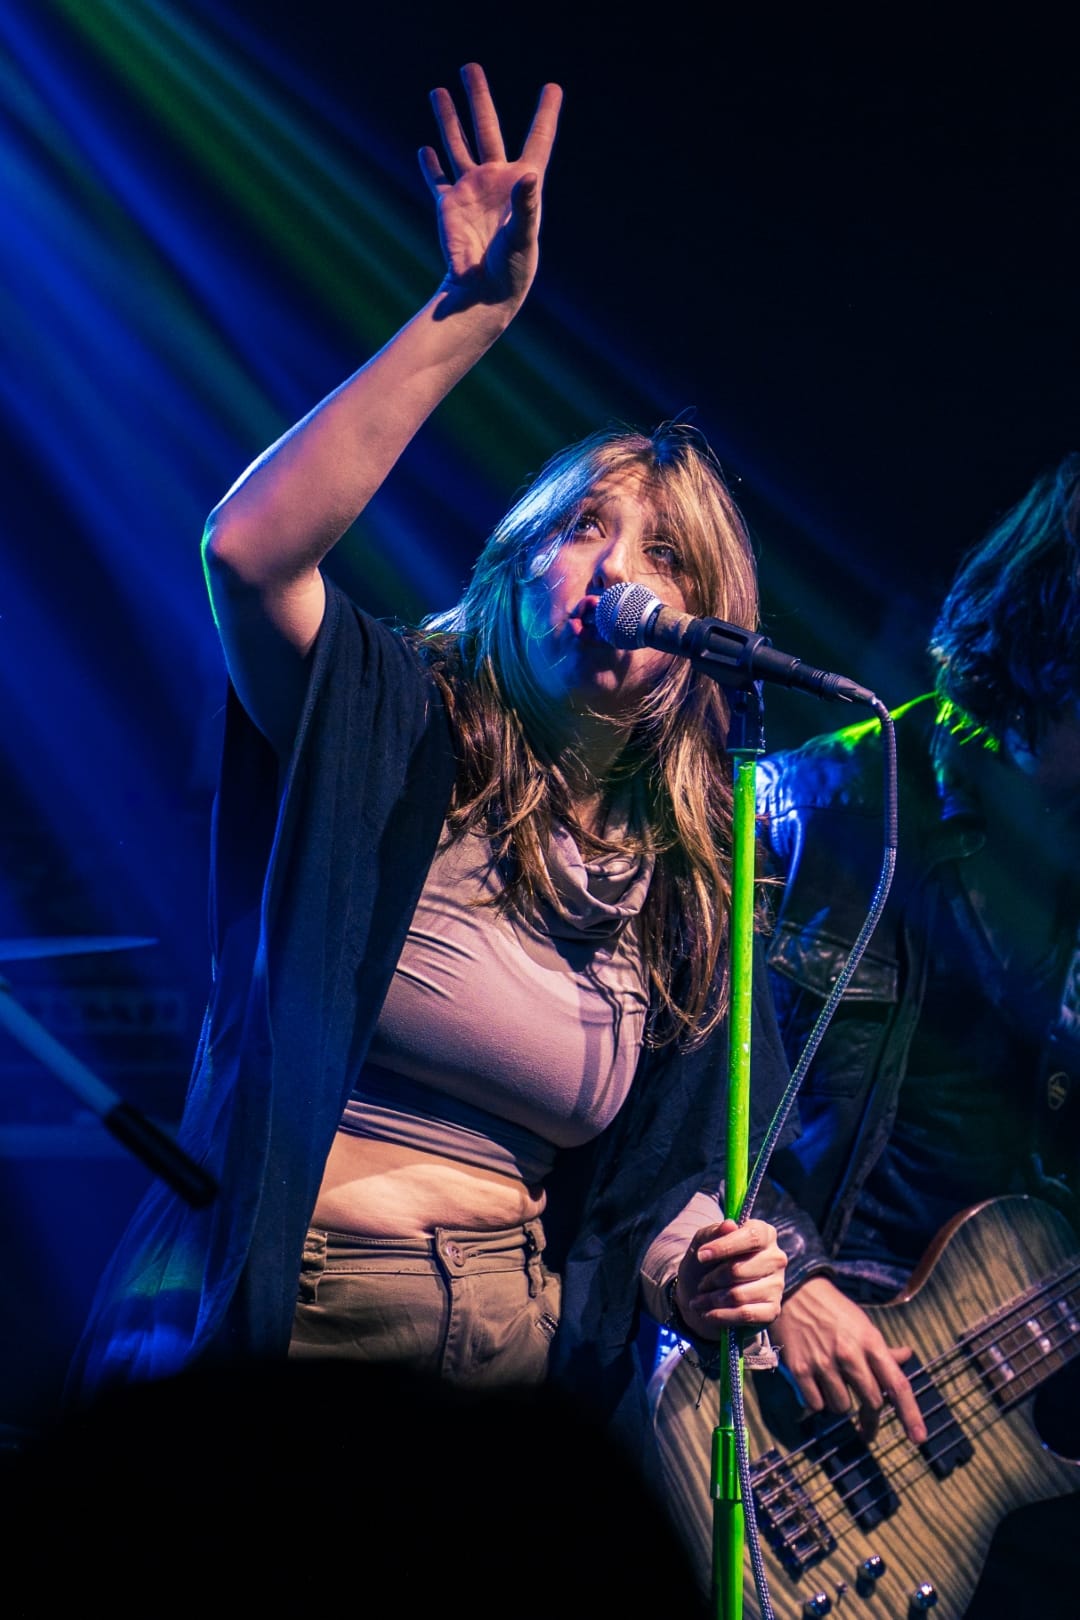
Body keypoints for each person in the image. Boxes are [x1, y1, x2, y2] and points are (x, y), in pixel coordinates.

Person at [64, 65, 791, 1485]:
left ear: (704, 640)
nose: (621, 576)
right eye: (586, 530)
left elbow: (643, 1197)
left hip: (509, 1359)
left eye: (668, 560)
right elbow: (246, 554)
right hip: (298, 1316)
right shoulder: (390, 722)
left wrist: (698, 1267)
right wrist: (471, 313)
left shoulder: (691, 882)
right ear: (513, 567)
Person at [752, 453, 1080, 1615]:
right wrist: (784, 1278)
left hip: (987, 1443)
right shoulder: (815, 810)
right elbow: (662, 1086)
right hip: (778, 1390)